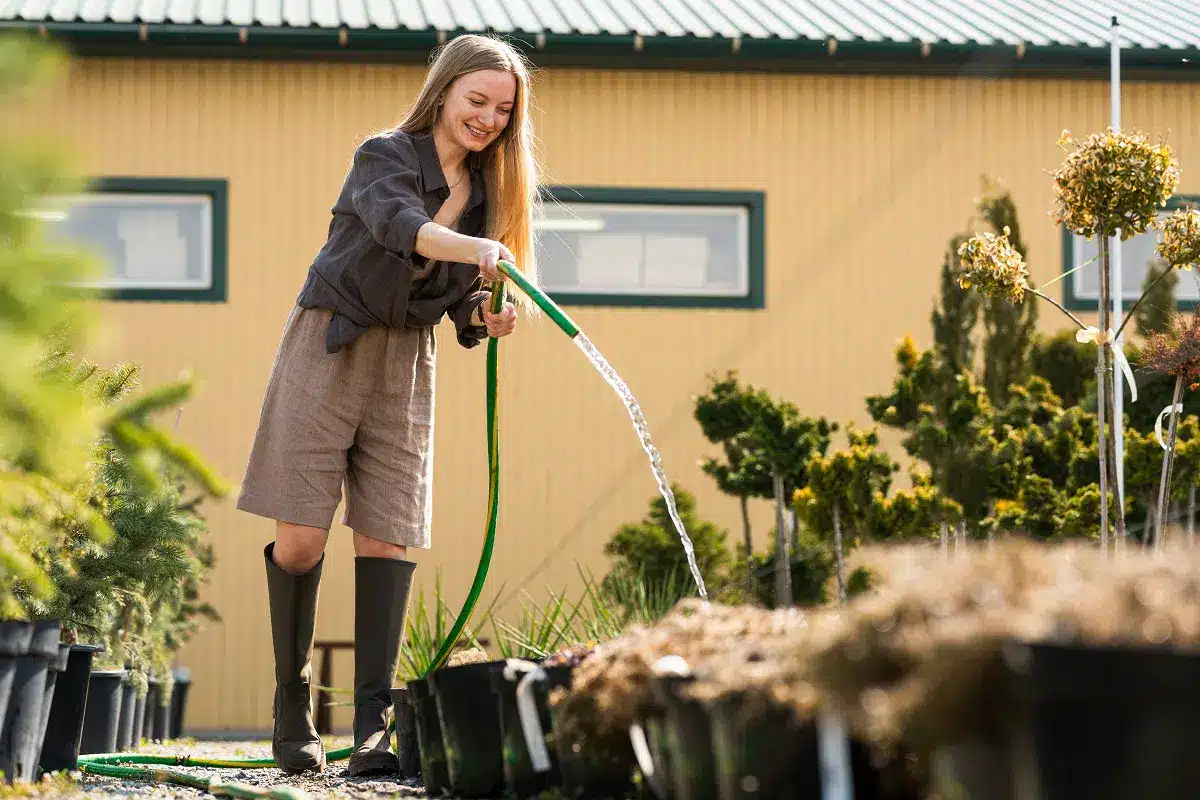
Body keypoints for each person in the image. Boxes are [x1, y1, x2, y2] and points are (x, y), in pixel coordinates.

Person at [236, 33, 542, 776]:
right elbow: (399, 227)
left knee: (386, 534)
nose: (488, 119)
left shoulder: (492, 195)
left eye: (503, 110)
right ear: (443, 93)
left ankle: (373, 724)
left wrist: (486, 316)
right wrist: (474, 254)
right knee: (303, 541)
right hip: (328, 345)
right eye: (477, 101)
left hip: (407, 363)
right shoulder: (384, 155)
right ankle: (291, 703)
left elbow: (460, 302)